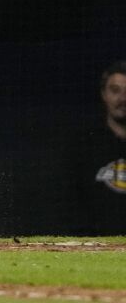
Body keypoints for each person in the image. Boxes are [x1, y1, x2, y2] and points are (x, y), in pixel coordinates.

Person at [67, 61, 126, 236]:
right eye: (115, 90)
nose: (123, 98)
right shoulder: (85, 147)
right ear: (104, 94)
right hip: (97, 248)